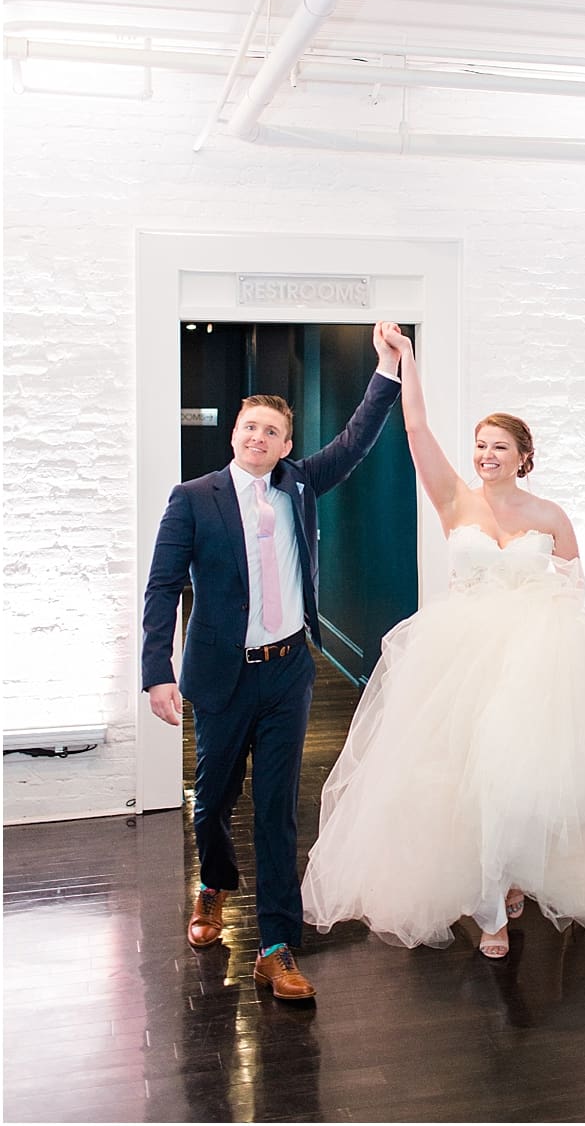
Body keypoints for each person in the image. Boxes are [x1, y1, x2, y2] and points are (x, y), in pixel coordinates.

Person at [301, 325, 585, 955]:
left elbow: (573, 589)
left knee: (516, 780)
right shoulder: (455, 499)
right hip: (461, 660)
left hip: (531, 665)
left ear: (523, 456)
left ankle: (507, 874)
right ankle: (487, 904)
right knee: (463, 781)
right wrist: (404, 363)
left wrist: (552, 639)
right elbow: (417, 431)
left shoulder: (550, 516)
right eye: (480, 445)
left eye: (498, 447)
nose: (485, 455)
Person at [140, 326, 405, 1003]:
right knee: (215, 801)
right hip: (221, 675)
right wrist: (156, 670)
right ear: (235, 434)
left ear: (286, 446)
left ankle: (277, 947)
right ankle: (213, 886)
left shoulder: (301, 485)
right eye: (248, 426)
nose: (257, 437)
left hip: (289, 671)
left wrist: (385, 369)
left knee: (278, 810)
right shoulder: (193, 498)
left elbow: (355, 440)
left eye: (270, 431)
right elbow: (164, 587)